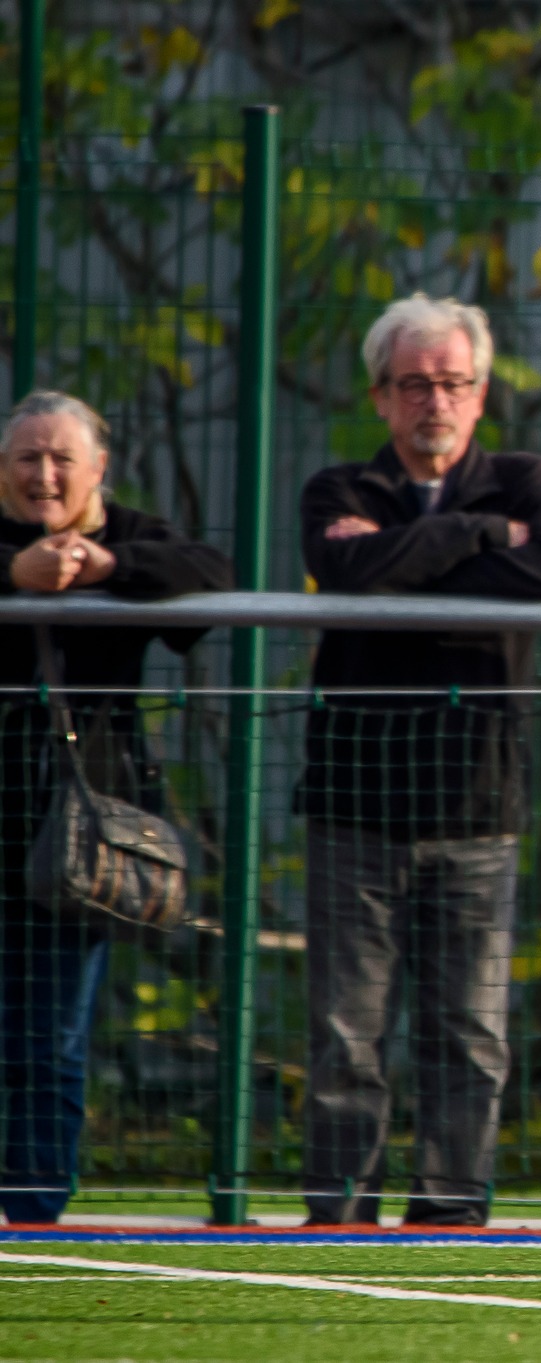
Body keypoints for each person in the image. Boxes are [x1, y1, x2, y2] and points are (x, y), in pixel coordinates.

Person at [298, 293, 541, 1227]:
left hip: (478, 803)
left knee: (469, 1035)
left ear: (481, 390)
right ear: (380, 396)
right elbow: (344, 573)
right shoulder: (337, 491)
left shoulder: (527, 479)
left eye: (452, 382)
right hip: (353, 800)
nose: (435, 401)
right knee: (347, 1035)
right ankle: (339, 1215)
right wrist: (473, 537)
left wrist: (401, 559)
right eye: (414, 384)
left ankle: (451, 1215)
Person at [0, 390, 232, 1224]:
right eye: (27, 457)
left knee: (51, 1035)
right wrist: (12, 576)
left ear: (99, 468)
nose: (45, 474)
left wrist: (107, 571)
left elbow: (211, 578)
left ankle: (27, 1210)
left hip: (73, 833)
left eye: (63, 457)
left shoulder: (131, 536)